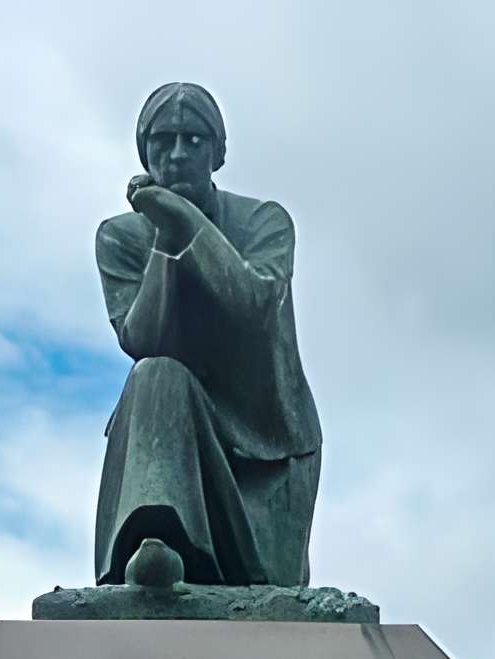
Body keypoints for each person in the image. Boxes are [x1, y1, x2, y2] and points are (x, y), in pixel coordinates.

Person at [91, 82, 322, 589]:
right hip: (169, 425)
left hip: (267, 440)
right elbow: (143, 338)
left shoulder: (264, 221)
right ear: (144, 149)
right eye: (163, 140)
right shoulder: (120, 237)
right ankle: (157, 542)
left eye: (193, 140)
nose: (176, 155)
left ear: (218, 152)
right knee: (156, 374)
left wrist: (186, 222)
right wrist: (165, 240)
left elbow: (256, 303)